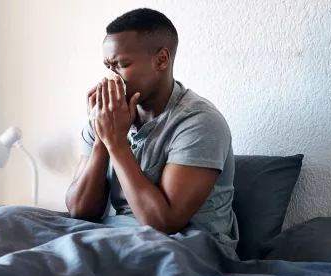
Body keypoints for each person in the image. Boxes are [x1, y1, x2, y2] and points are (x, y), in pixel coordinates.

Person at [65, 8, 238, 251]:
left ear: (161, 60)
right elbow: (79, 210)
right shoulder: (106, 117)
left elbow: (164, 223)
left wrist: (116, 143)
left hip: (186, 246)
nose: (111, 78)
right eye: (108, 66)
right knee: (9, 218)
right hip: (115, 235)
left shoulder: (199, 122)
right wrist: (102, 140)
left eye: (122, 64)